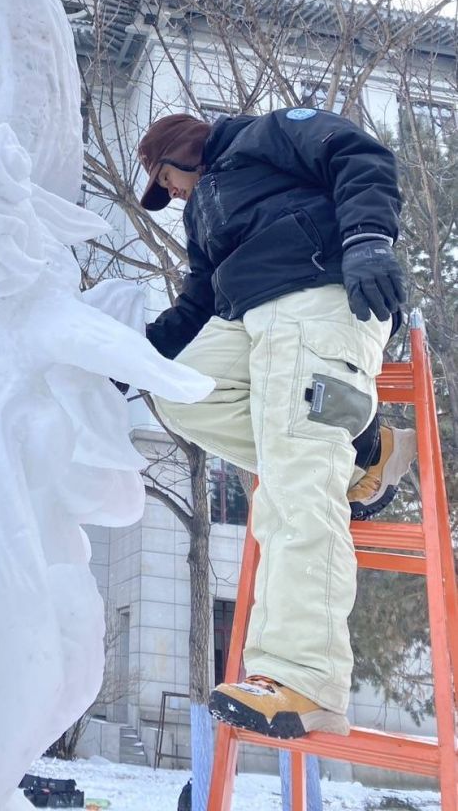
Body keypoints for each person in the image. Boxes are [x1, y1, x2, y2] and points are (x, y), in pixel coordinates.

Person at [137, 108, 416, 740]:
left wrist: (368, 240)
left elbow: (358, 155)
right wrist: (131, 359)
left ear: (183, 151)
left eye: (166, 181)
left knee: (294, 488)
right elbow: (197, 300)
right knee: (180, 392)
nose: (170, 194)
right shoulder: (201, 215)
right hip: (250, 319)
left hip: (319, 295)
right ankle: (364, 450)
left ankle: (305, 677)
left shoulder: (265, 135)